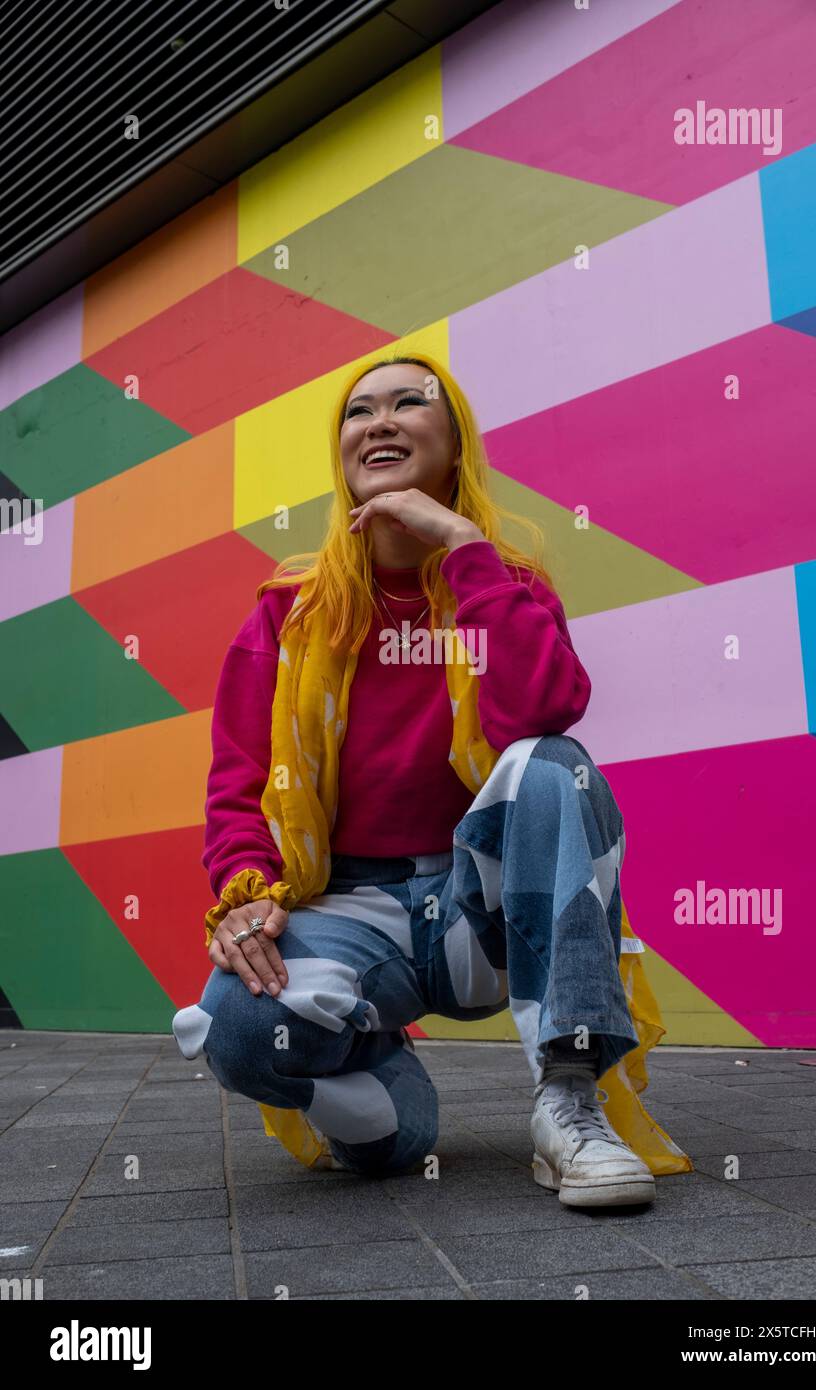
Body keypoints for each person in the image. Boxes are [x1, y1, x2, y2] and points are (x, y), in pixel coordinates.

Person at [172, 351, 689, 1207]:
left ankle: (567, 1099)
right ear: (342, 451)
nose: (378, 420)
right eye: (358, 411)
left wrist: (463, 549)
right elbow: (237, 782)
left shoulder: (507, 586)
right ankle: (382, 1082)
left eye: (410, 403)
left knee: (552, 766)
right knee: (238, 1030)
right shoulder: (284, 611)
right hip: (349, 903)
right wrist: (242, 891)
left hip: (480, 902)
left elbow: (546, 710)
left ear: (454, 447)